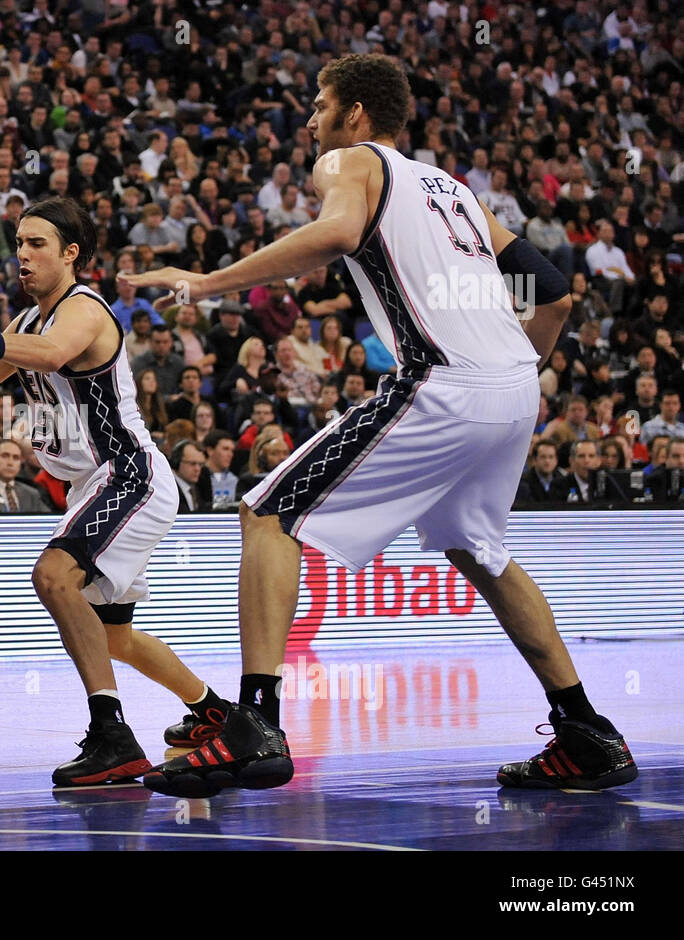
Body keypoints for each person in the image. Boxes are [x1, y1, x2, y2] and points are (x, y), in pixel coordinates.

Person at [124, 54, 635, 796]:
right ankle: (588, 734)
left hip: (444, 379)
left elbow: (333, 237)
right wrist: (515, 365)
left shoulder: (348, 161)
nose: (309, 119)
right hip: (516, 387)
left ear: (355, 114)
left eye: (319, 103)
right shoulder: (456, 190)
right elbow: (553, 292)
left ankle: (255, 728)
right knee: (481, 552)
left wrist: (204, 281)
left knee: (267, 515)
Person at [0, 196, 234, 786]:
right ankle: (221, 716)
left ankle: (112, 737)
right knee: (114, 637)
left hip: (128, 472)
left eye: (37, 244)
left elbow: (55, 354)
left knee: (54, 576)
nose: (23, 255)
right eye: (19, 243)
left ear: (71, 254)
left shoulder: (84, 310)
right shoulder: (25, 326)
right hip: (94, 482)